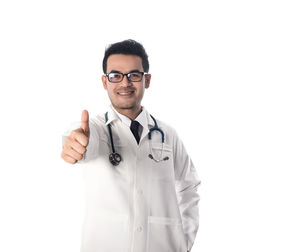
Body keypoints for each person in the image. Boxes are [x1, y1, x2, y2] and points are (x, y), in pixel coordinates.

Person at [61, 39, 200, 252]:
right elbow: (82, 142)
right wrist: (75, 144)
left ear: (147, 80)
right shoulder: (96, 130)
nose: (125, 83)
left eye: (134, 75)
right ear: (104, 81)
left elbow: (189, 186)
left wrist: (183, 240)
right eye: (115, 75)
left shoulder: (167, 135)